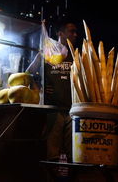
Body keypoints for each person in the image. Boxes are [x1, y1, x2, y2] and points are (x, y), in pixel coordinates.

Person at [45, 18, 78, 162]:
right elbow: (30, 73)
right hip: (54, 110)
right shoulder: (48, 53)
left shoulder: (76, 55)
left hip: (72, 110)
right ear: (60, 33)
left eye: (76, 32)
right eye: (71, 31)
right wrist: (40, 88)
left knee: (73, 153)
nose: (75, 35)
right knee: (52, 152)